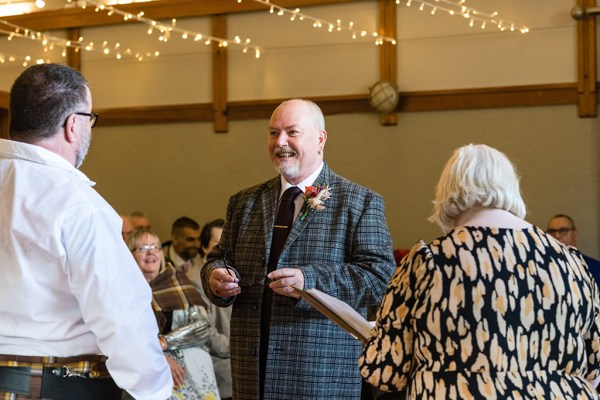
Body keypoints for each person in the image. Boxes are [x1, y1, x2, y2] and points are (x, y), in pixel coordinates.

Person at [359, 144, 600, 398]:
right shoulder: (570, 261)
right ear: (511, 188)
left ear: (446, 193)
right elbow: (594, 367)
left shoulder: (427, 261)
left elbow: (384, 371)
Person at [201, 98, 396, 399]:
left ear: (320, 139)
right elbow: (218, 258)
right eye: (273, 133)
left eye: (292, 132)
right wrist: (215, 277)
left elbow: (379, 277)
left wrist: (310, 282)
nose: (280, 142)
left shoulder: (359, 202)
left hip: (318, 374)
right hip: (251, 373)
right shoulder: (245, 202)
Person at [0, 64, 172, 399]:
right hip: (53, 384)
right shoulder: (77, 204)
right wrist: (155, 391)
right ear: (72, 124)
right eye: (90, 119)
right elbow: (122, 317)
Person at [126, 229, 228, 400]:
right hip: (150, 373)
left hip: (196, 374)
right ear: (128, 254)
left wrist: (164, 342)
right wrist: (159, 356)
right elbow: (124, 335)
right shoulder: (121, 292)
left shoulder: (180, 283)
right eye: (142, 248)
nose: (151, 252)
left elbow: (202, 326)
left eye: (156, 247)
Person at [199, 218, 232, 400]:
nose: (225, 250)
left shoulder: (234, 272)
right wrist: (237, 348)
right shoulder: (195, 280)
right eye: (218, 245)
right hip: (218, 371)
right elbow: (204, 330)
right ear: (204, 248)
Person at [547, 214, 600, 285]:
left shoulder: (595, 268)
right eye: (552, 231)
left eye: (563, 230)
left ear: (575, 235)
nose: (557, 236)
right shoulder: (538, 267)